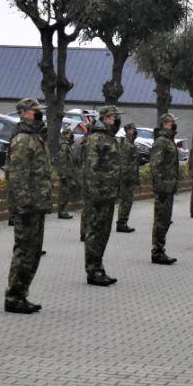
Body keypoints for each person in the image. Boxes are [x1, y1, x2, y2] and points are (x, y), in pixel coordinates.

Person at [5, 98, 52, 313]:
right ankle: (14, 296)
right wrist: (22, 205)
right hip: (28, 206)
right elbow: (18, 176)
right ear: (24, 113)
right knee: (24, 251)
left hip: (37, 204)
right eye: (35, 111)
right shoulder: (23, 139)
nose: (39, 114)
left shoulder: (35, 137)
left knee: (33, 252)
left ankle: (21, 293)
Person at [81, 106, 122, 285]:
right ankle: (92, 270)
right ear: (106, 118)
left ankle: (98, 267)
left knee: (103, 233)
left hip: (109, 194)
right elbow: (91, 169)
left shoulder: (110, 139)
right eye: (114, 117)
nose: (116, 120)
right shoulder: (96, 139)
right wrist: (95, 194)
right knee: (95, 232)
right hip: (98, 195)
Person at [149, 113, 179, 265]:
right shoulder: (161, 141)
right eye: (172, 122)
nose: (174, 124)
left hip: (168, 186)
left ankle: (160, 249)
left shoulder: (168, 140)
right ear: (166, 123)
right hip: (163, 187)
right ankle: (157, 251)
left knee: (165, 219)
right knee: (161, 219)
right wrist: (160, 185)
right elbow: (155, 164)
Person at [115, 122, 139, 233]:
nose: (135, 131)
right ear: (129, 130)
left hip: (130, 177)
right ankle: (121, 223)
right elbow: (124, 163)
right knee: (126, 201)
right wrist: (125, 178)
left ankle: (123, 222)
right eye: (134, 129)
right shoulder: (127, 144)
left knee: (128, 201)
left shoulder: (130, 143)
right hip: (126, 179)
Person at [56, 128, 77, 219]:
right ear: (65, 134)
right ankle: (62, 211)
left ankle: (63, 210)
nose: (71, 136)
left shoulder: (67, 144)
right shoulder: (64, 145)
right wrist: (63, 173)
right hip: (65, 172)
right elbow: (63, 159)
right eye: (70, 134)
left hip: (68, 171)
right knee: (64, 192)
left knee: (66, 192)